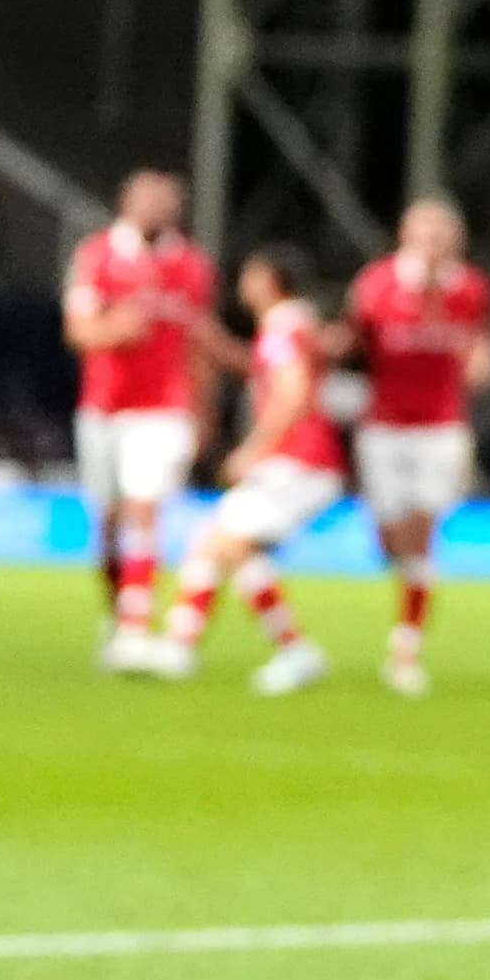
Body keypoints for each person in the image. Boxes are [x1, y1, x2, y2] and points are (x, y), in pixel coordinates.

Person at [148, 244, 341, 695]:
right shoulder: (293, 325)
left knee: (227, 544)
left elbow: (292, 394)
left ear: (269, 280)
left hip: (298, 463)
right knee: (214, 543)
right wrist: (213, 341)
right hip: (301, 463)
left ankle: (294, 650)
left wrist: (254, 448)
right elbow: (266, 372)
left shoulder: (284, 328)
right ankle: (180, 645)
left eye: (250, 275)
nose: (243, 284)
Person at [64, 168, 225, 671]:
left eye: (165, 200)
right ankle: (120, 612)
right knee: (109, 525)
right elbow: (79, 333)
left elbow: (199, 342)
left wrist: (204, 409)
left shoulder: (193, 266)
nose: (156, 208)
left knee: (144, 508)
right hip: (105, 408)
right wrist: (116, 329)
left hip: (164, 408)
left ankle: (135, 630)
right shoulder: (96, 257)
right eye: (146, 199)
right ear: (125, 202)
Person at [346, 193, 490, 697]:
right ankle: (405, 586)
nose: (434, 244)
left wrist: (482, 361)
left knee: (420, 531)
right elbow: (355, 343)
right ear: (406, 237)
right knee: (391, 538)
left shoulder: (471, 290)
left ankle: (406, 649)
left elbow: (483, 339)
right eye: (425, 233)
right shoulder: (377, 285)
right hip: (384, 425)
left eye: (443, 235)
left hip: (441, 427)